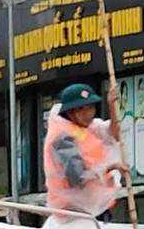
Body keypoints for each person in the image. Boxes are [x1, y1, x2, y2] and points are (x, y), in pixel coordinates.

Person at [43, 82, 122, 219]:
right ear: (70, 112)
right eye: (81, 109)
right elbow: (77, 177)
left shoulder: (90, 128)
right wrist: (109, 168)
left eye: (91, 108)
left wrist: (112, 106)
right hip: (73, 211)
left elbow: (113, 135)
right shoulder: (63, 137)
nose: (88, 114)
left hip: (93, 207)